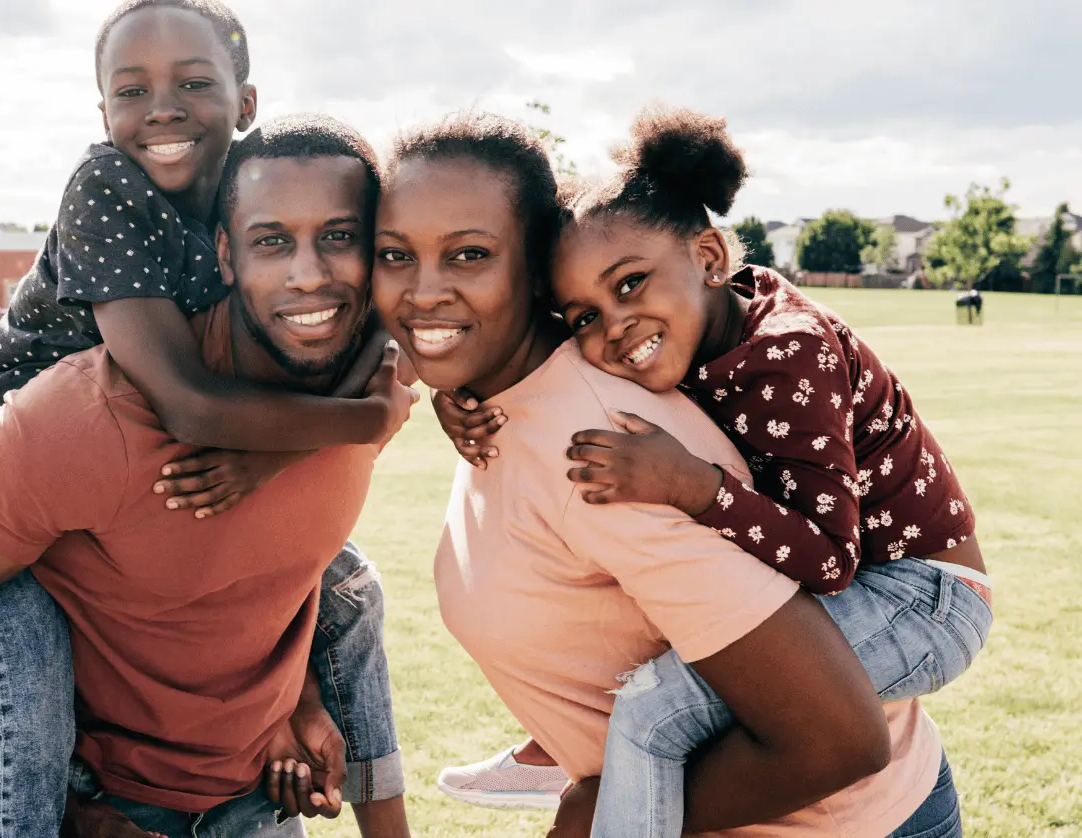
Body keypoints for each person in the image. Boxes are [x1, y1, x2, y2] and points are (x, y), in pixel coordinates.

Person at [373, 110, 965, 837]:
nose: (425, 290)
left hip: (902, 674)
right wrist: (446, 394)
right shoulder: (528, 390)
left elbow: (835, 726)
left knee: (654, 711)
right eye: (395, 254)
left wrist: (596, 818)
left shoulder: (613, 446)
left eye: (468, 255)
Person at [0, 114, 414, 838]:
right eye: (271, 241)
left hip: (259, 801)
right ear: (224, 254)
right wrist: (64, 808)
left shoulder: (370, 390)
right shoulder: (92, 419)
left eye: (339, 237)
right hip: (114, 811)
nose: (308, 274)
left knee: (352, 584)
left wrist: (301, 699)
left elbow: (265, 570)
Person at [541, 105, 992, 837]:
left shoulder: (787, 357)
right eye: (583, 316)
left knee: (658, 714)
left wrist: (692, 485)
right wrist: (464, 402)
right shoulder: (702, 327)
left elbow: (829, 558)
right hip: (889, 591)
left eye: (628, 284)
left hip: (927, 599)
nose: (613, 324)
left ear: (711, 259)